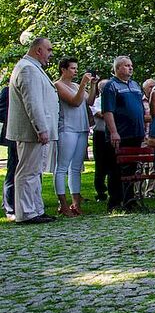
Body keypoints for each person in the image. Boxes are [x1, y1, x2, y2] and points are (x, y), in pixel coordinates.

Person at [7, 37, 59, 224]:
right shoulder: (27, 69)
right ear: (38, 50)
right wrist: (41, 128)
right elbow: (33, 103)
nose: (50, 55)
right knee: (27, 171)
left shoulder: (32, 67)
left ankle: (36, 209)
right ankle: (27, 212)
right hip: (32, 132)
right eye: (49, 50)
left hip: (35, 131)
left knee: (34, 171)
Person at [102, 55, 146, 212]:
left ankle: (130, 199)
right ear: (118, 68)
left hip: (136, 133)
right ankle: (114, 201)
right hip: (120, 133)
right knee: (115, 168)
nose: (130, 68)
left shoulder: (135, 85)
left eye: (131, 65)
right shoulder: (110, 86)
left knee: (132, 169)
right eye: (127, 65)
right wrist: (114, 132)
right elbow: (108, 111)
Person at [53, 58, 97, 216]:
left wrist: (92, 85)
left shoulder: (76, 85)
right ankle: (63, 203)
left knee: (76, 168)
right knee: (62, 167)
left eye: (76, 68)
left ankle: (76, 203)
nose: (75, 71)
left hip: (82, 128)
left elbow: (89, 101)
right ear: (63, 70)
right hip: (67, 129)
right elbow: (75, 102)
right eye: (72, 68)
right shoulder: (58, 85)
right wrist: (84, 84)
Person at [90, 79, 110, 202]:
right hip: (101, 134)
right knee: (101, 164)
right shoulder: (97, 101)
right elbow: (101, 114)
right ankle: (101, 192)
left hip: (112, 134)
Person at [1, 85, 18, 220]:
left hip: (23, 135)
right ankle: (9, 207)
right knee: (13, 170)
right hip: (13, 134)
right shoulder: (8, 91)